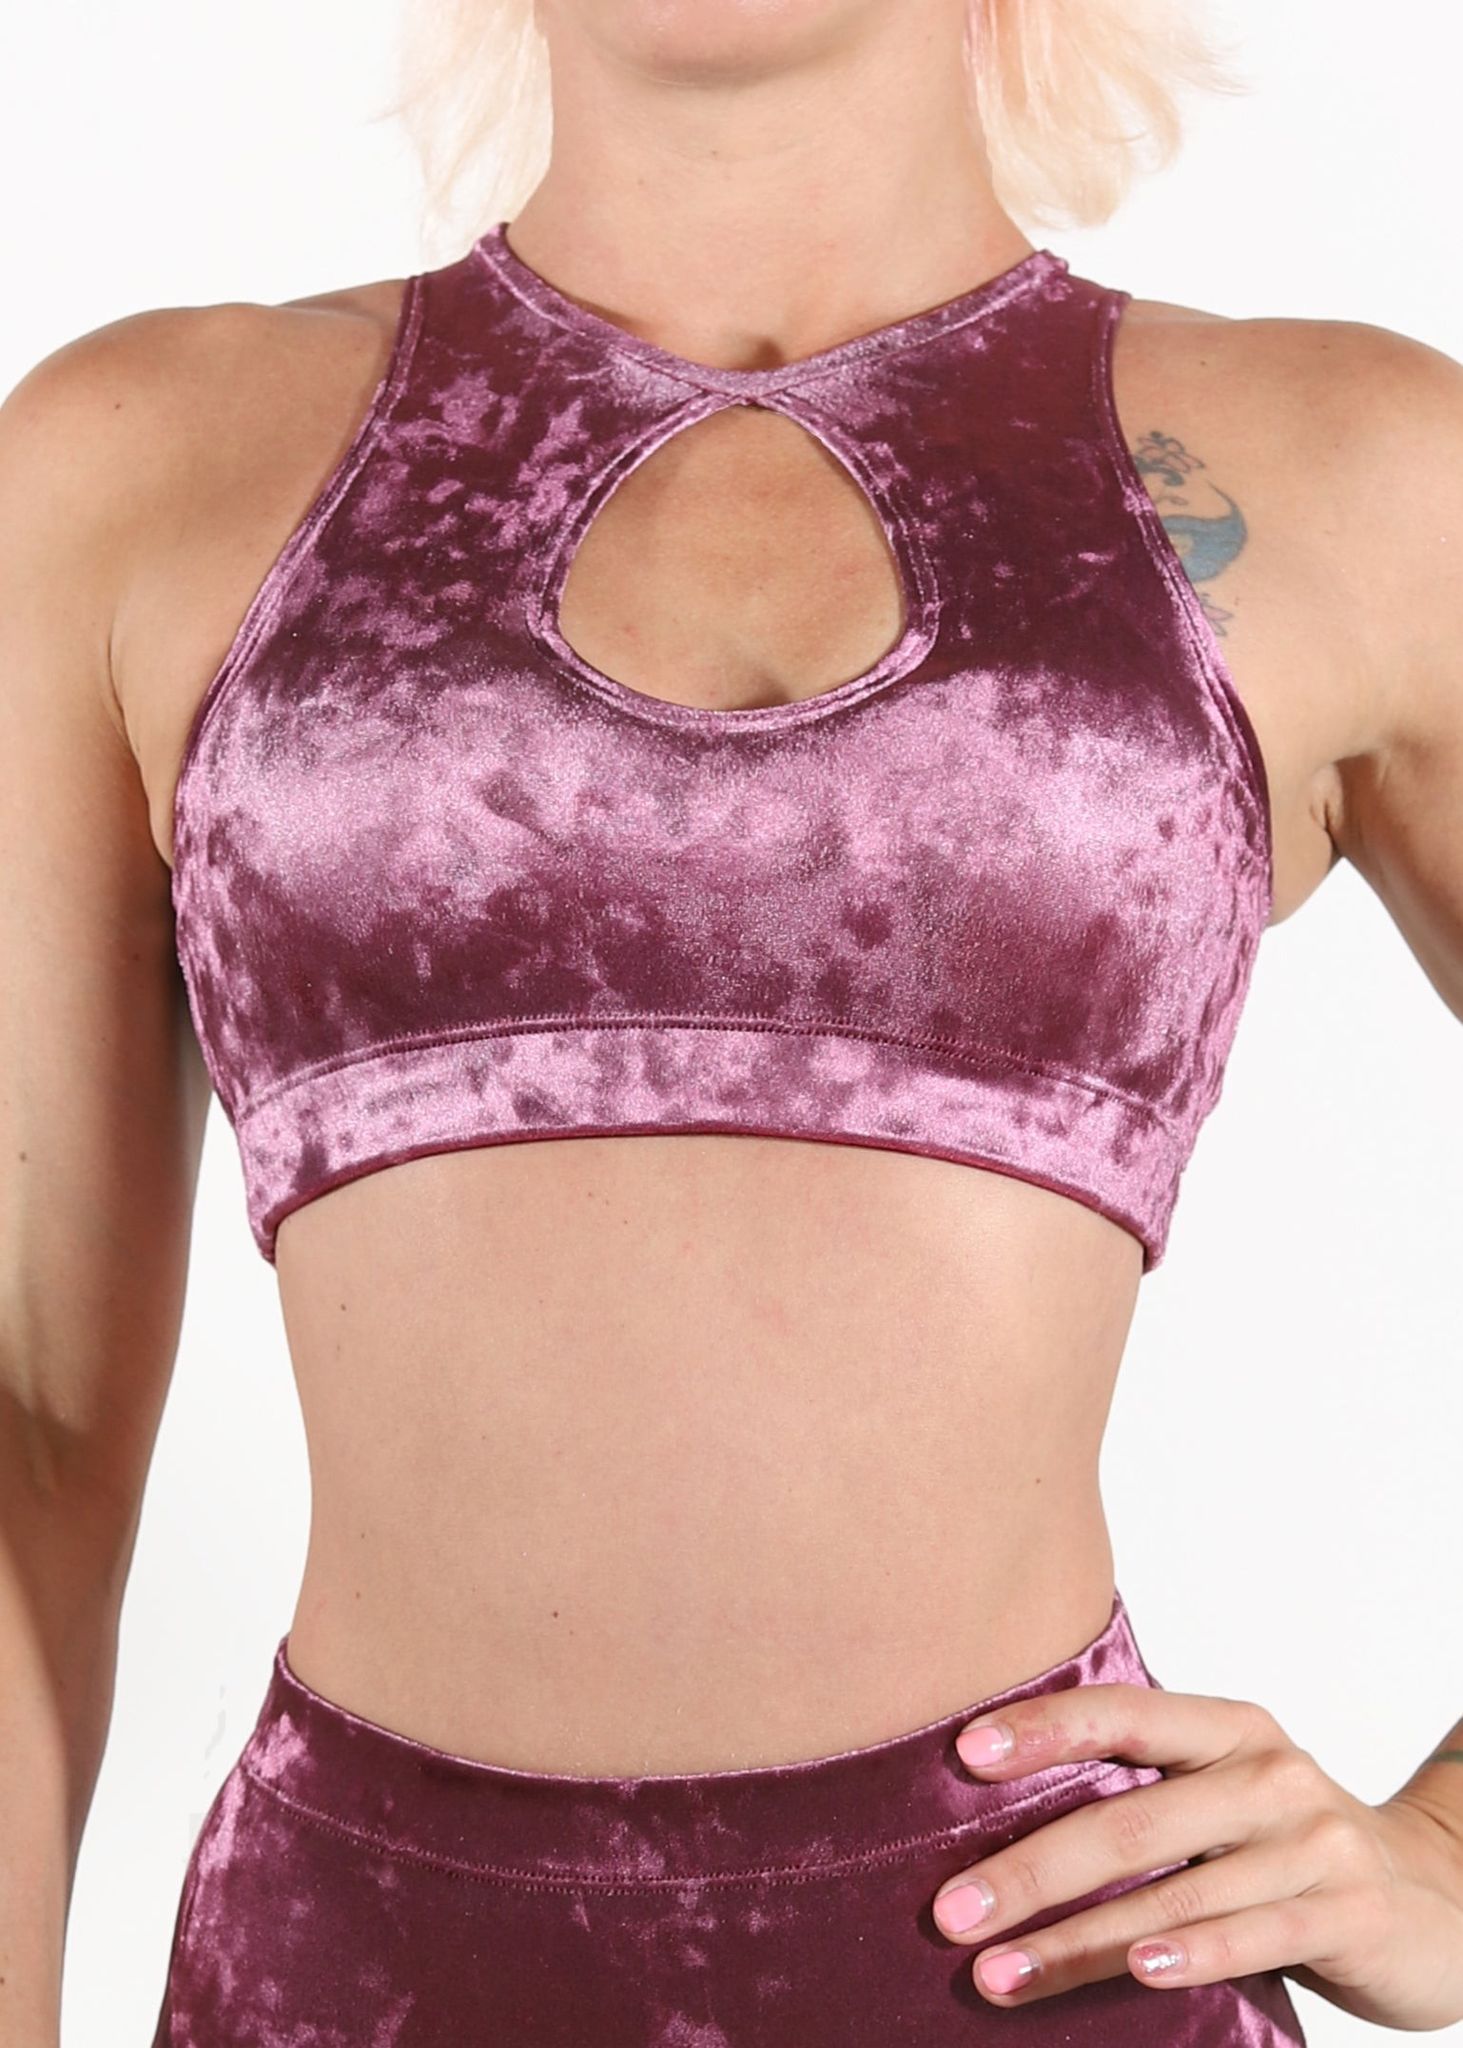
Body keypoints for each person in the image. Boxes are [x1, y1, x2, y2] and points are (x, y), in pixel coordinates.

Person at [3, 1, 1462, 2041]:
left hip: (1040, 1979)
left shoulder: (1369, 478)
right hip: (343, 1985)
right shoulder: (130, 461)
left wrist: (1449, 1858)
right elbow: (32, 1437)